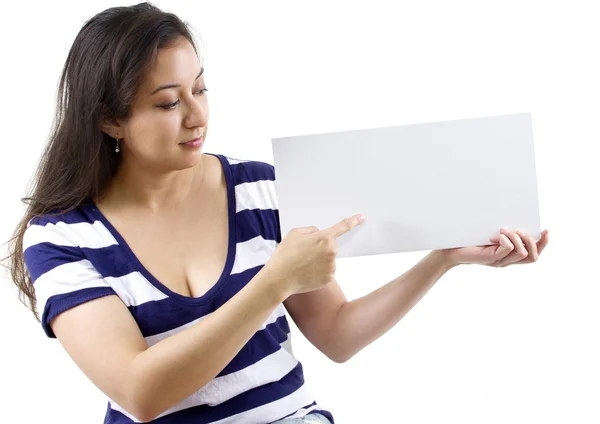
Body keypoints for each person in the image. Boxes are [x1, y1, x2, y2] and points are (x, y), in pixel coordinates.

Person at [3, 3, 550, 424]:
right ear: (108, 119)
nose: (197, 116)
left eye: (201, 88)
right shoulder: (62, 239)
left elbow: (337, 335)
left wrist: (443, 258)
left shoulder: (257, 189)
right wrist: (274, 282)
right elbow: (141, 393)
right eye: (169, 103)